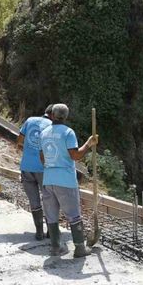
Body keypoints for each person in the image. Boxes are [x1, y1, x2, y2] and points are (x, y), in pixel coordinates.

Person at [40, 104, 97, 258]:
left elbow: (42, 158)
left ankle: (55, 247)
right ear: (65, 116)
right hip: (65, 180)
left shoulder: (44, 133)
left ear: (51, 115)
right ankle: (79, 248)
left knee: (51, 215)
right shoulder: (68, 133)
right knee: (73, 215)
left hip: (48, 179)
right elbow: (75, 156)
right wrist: (89, 144)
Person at [17, 104, 54, 240]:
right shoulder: (52, 126)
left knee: (34, 201)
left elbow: (19, 141)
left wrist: (28, 152)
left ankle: (39, 232)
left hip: (26, 167)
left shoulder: (30, 120)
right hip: (43, 169)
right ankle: (51, 232)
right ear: (53, 115)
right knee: (49, 199)